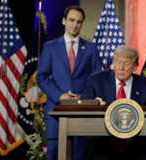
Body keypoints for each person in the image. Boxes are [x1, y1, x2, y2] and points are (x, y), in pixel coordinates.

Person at [37, 5, 101, 160]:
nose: (75, 25)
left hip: (83, 112)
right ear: (64, 21)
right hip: (56, 112)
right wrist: (60, 95)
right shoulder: (50, 47)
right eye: (71, 20)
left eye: (79, 22)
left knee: (80, 155)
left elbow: (96, 78)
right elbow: (42, 77)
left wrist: (82, 98)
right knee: (55, 155)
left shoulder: (91, 48)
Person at [81, 46, 146, 160]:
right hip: (104, 141)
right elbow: (84, 106)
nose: (121, 68)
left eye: (126, 63)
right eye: (117, 62)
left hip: (136, 142)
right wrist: (95, 104)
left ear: (135, 66)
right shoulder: (96, 81)